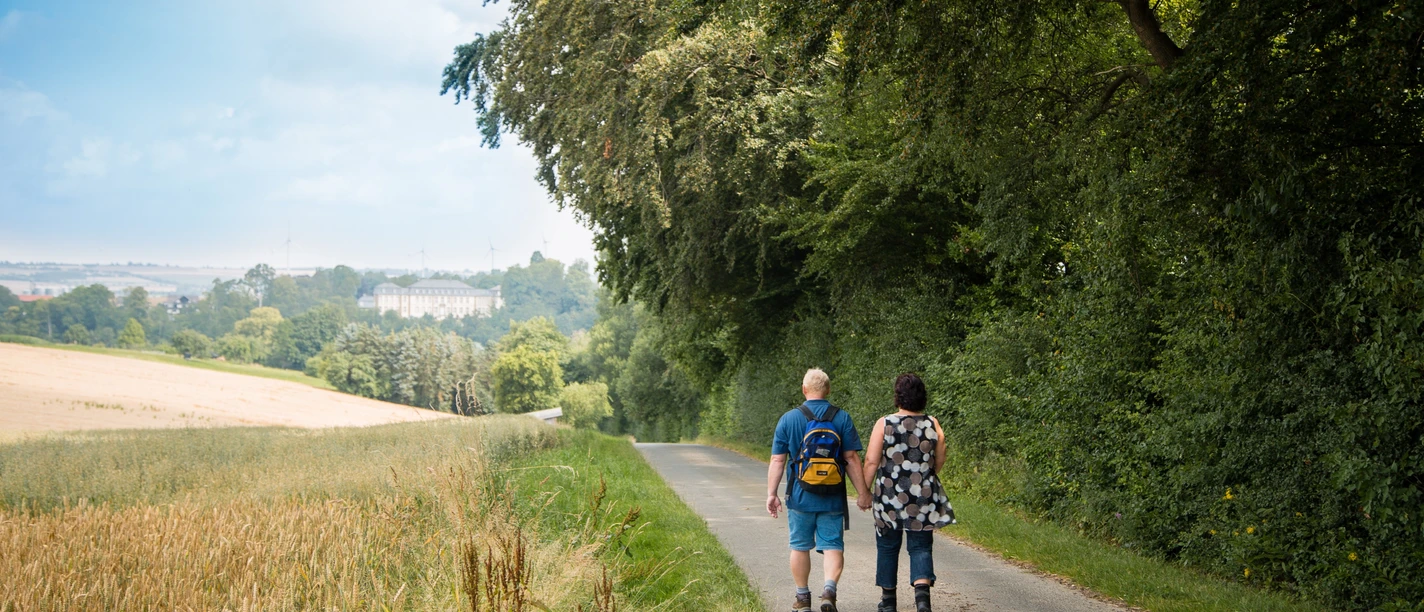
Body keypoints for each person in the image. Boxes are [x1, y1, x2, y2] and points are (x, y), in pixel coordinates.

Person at [767, 368, 871, 612]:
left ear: (804, 390)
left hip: (800, 496)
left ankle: (803, 599)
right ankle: (829, 590)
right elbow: (852, 459)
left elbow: (777, 461)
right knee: (833, 544)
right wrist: (864, 493)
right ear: (828, 390)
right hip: (832, 496)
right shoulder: (841, 417)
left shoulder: (789, 419)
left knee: (800, 546)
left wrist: (771, 494)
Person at [863, 372, 955, 612]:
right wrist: (926, 472)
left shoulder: (884, 423)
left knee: (887, 546)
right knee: (921, 546)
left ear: (898, 396)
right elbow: (940, 456)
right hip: (923, 496)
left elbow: (872, 461)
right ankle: (922, 601)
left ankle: (889, 602)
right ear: (922, 397)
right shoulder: (932, 423)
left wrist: (864, 490)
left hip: (888, 497)